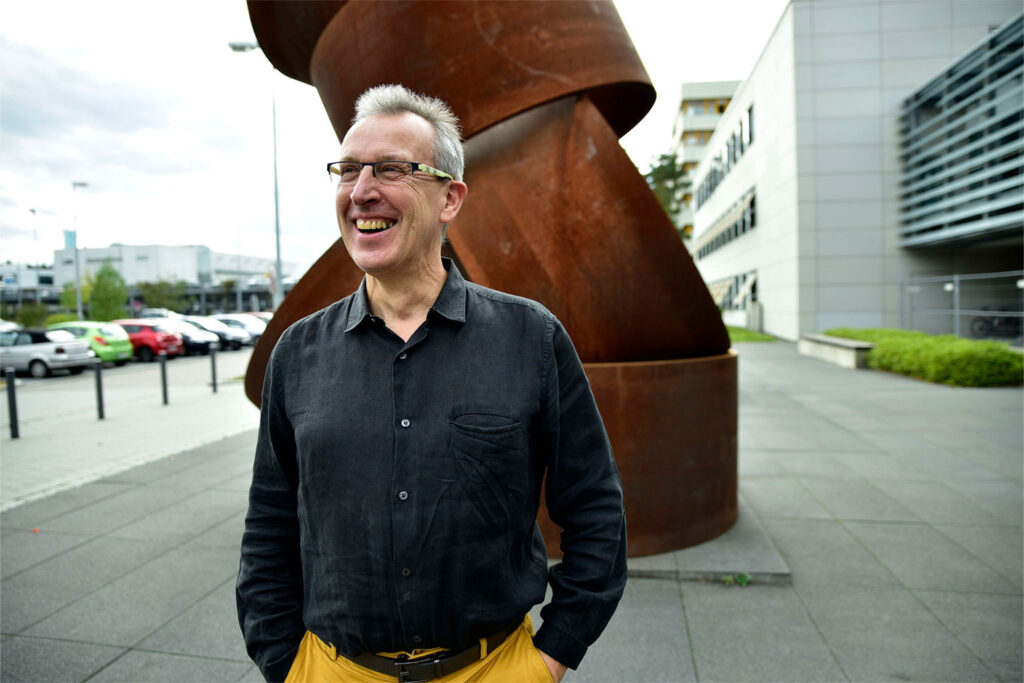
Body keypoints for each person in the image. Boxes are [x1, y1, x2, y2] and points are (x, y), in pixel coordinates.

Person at [236, 84, 627, 683]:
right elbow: (269, 523)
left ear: (450, 199)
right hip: (329, 670)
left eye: (392, 169)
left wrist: (551, 656)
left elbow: (595, 507)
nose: (361, 191)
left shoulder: (531, 339)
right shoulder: (297, 353)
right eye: (348, 170)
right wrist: (283, 661)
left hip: (494, 670)